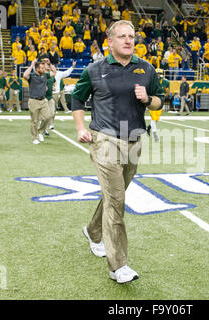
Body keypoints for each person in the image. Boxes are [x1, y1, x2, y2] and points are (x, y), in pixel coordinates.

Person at [71, 20, 164, 284]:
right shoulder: (94, 69)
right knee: (116, 201)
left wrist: (148, 99)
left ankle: (92, 231)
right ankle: (118, 265)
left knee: (115, 195)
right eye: (122, 36)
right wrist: (80, 127)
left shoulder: (146, 68)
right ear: (109, 42)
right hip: (105, 140)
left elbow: (160, 100)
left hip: (135, 139)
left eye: (132, 36)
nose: (128, 40)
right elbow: (77, 99)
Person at [23, 59, 51, 144]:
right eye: (41, 68)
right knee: (34, 121)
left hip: (43, 100)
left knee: (47, 117)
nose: (43, 69)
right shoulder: (32, 76)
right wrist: (32, 65)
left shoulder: (45, 75)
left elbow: (54, 71)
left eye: (44, 68)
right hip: (34, 100)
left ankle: (40, 132)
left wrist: (49, 63)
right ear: (37, 69)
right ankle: (34, 137)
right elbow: (25, 75)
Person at [146, 68, 169, 142]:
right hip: (153, 101)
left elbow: (167, 92)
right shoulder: (151, 81)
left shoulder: (165, 82)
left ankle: (149, 127)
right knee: (154, 118)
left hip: (159, 102)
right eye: (157, 74)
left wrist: (161, 97)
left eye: (160, 74)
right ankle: (155, 134)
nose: (159, 75)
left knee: (156, 119)